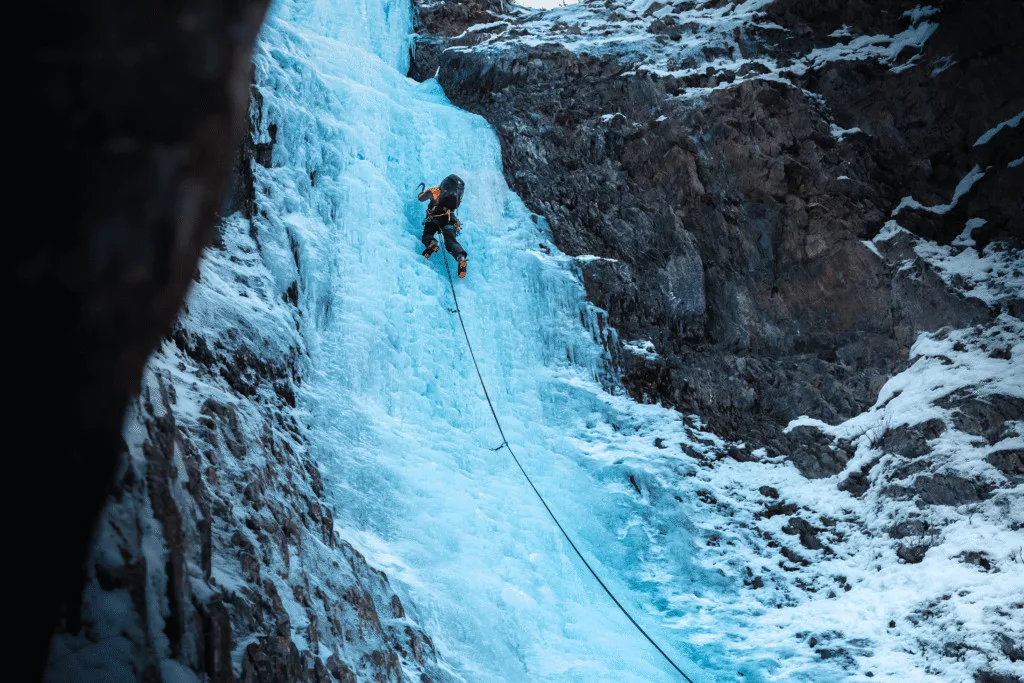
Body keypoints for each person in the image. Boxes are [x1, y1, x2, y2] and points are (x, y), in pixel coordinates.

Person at [418, 174, 468, 278]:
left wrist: (421, 193)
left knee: (427, 234)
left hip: (434, 218)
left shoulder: (434, 191)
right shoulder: (456, 197)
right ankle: (460, 257)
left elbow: (421, 198)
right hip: (451, 220)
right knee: (451, 241)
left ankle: (432, 243)